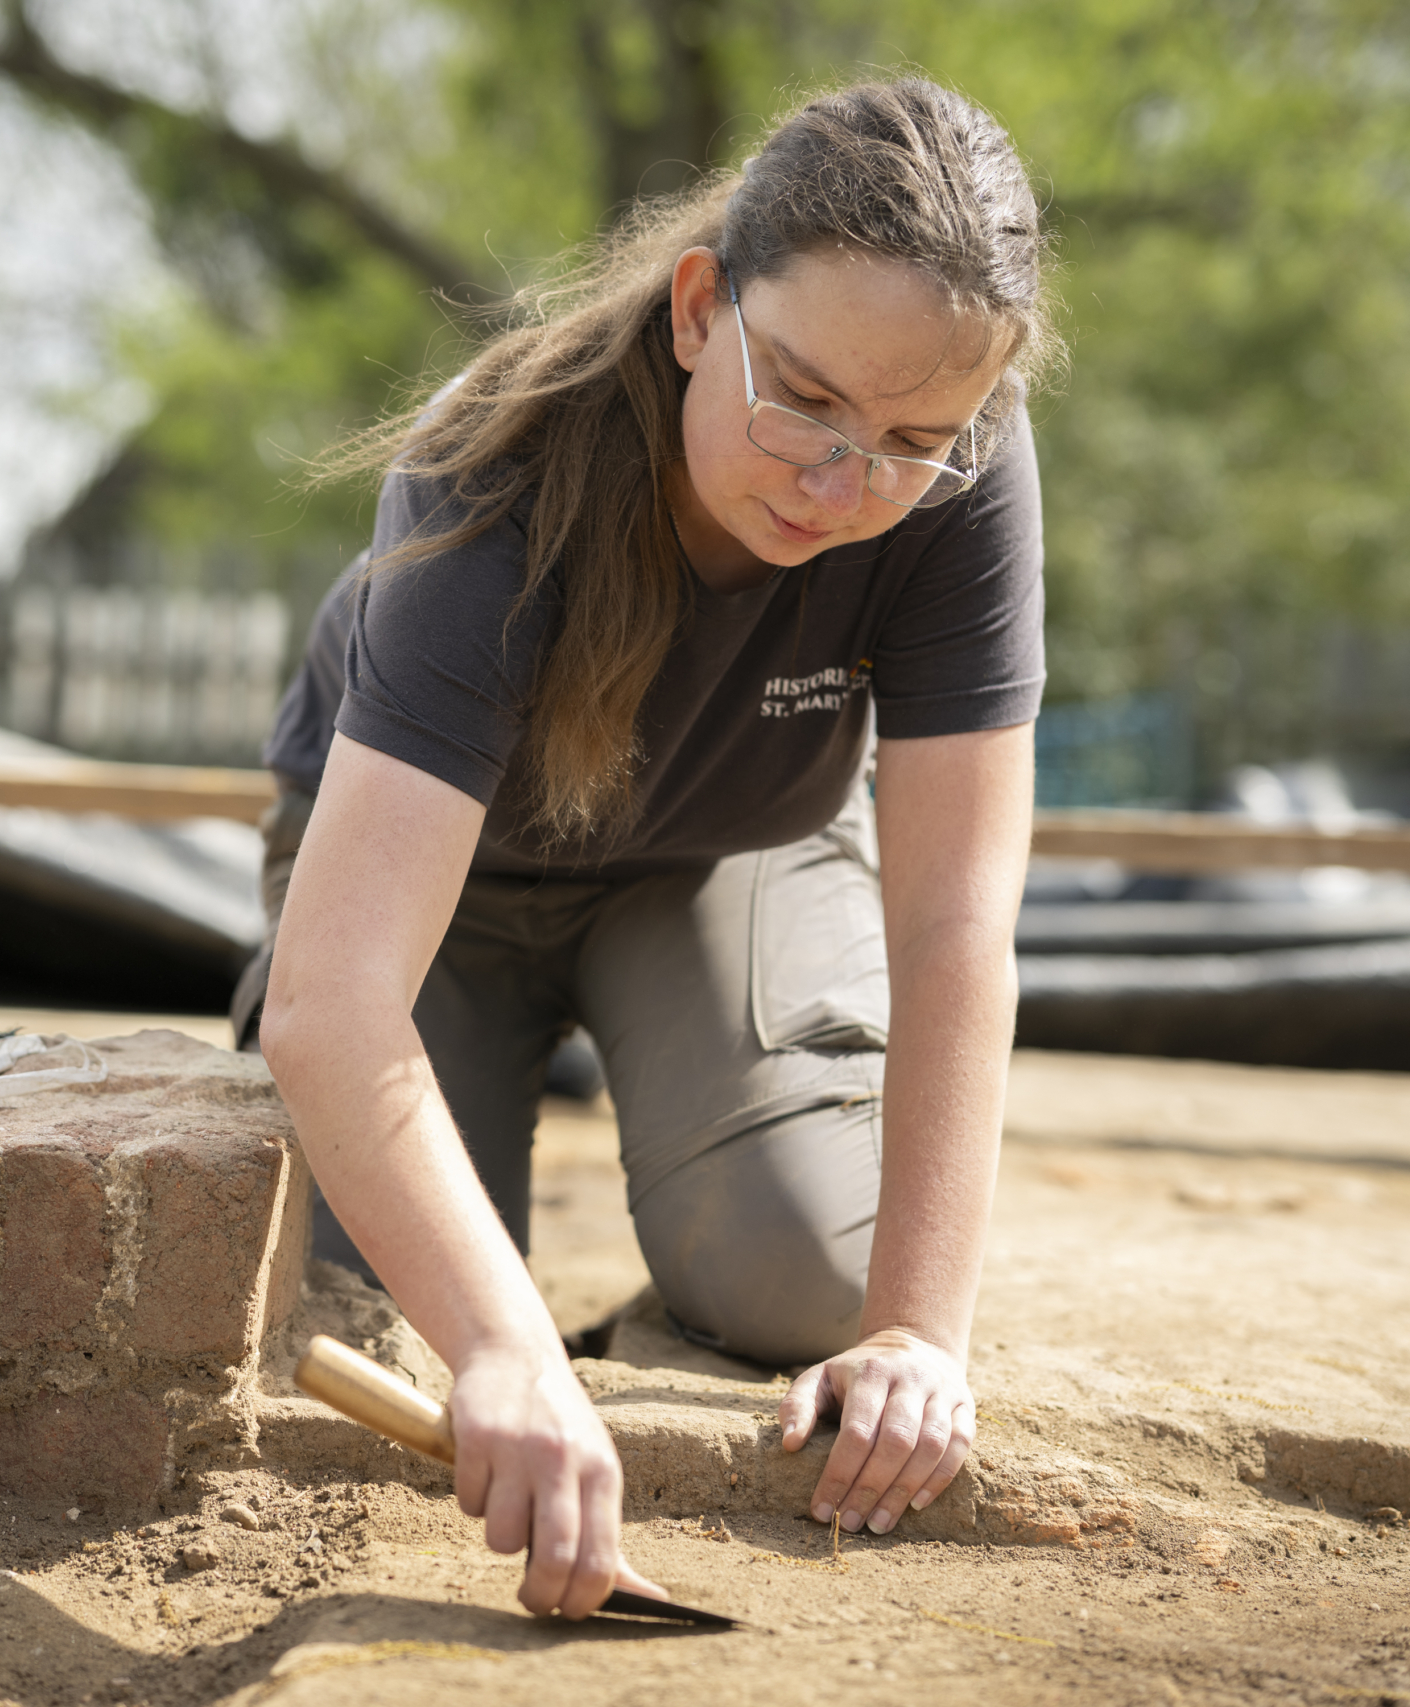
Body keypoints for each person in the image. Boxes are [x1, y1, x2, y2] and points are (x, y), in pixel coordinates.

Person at [237, 76, 1056, 1619]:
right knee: (364, 1304)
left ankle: (631, 1337)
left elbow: (955, 923)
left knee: (811, 1284)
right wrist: (497, 1348)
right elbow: (335, 1004)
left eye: (909, 442)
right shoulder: (495, 474)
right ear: (699, 311)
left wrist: (914, 1339)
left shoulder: (967, 472)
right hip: (438, 900)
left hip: (717, 864)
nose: (842, 483)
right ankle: (531, 1341)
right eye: (803, 401)